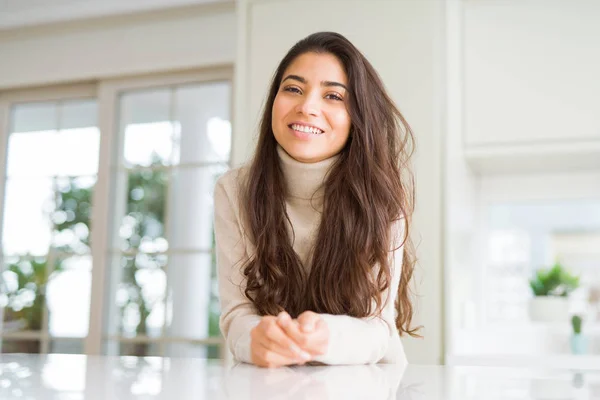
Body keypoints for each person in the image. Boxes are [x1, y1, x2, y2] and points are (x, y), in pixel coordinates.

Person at [214, 31, 418, 368]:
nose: (307, 107)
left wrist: (323, 337)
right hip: (271, 383)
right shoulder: (234, 190)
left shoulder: (382, 195)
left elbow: (380, 328)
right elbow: (237, 313)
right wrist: (255, 338)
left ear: (358, 117)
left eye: (334, 96)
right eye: (293, 88)